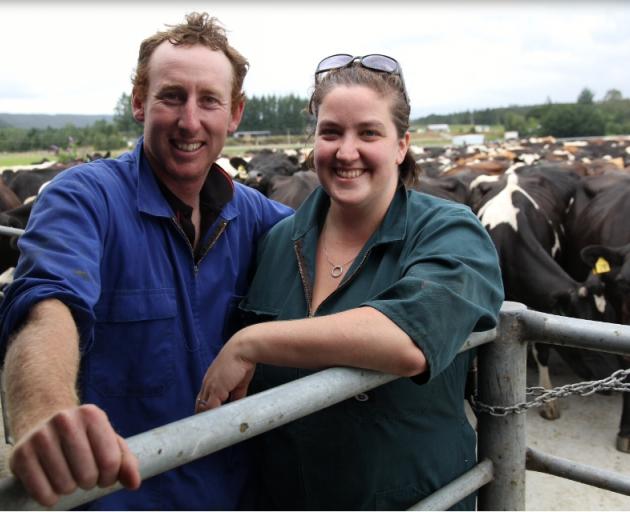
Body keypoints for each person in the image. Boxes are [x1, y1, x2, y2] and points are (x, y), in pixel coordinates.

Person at [0, 12, 291, 510]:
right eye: (172, 96)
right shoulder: (85, 198)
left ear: (235, 114)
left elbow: (340, 242)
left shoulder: (260, 215)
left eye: (209, 101)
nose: (190, 121)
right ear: (140, 101)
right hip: (123, 498)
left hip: (235, 492)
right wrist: (47, 416)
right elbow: (48, 305)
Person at [196, 53, 504, 510]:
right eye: (331, 132)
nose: (346, 152)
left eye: (369, 133)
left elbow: (410, 337)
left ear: (402, 145)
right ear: (314, 141)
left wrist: (251, 341)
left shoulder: (450, 231)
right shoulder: (279, 241)